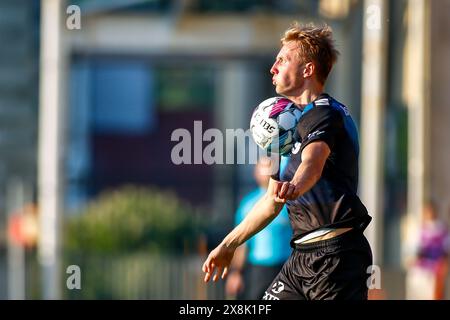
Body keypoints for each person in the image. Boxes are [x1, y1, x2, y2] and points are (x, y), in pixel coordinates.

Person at [202, 22, 373, 300]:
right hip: (300, 260)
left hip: (337, 257)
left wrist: (295, 185)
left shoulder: (324, 113)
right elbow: (271, 202)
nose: (273, 67)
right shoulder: (283, 131)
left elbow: (313, 162)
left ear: (307, 70)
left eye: (282, 60)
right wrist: (228, 245)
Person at [225, 157, 292, 300]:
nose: (266, 171)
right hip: (258, 269)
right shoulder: (248, 204)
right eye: (262, 167)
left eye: (270, 166)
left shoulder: (288, 200)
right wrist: (236, 273)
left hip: (286, 267)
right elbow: (242, 244)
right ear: (256, 172)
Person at [407, 202, 450, 300]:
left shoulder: (442, 230)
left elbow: (445, 252)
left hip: (435, 273)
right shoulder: (419, 230)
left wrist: (444, 265)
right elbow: (413, 253)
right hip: (420, 272)